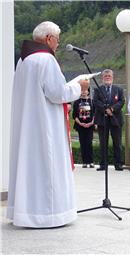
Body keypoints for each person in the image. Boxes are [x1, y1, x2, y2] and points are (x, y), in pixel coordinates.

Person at [7, 21, 89, 228]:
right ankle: (50, 215)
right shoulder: (46, 60)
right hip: (45, 127)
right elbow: (57, 93)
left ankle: (27, 212)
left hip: (29, 125)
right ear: (48, 39)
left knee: (31, 169)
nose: (58, 44)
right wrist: (79, 87)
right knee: (48, 168)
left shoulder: (23, 61)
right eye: (57, 40)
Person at [93, 69, 124, 171]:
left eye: (109, 76)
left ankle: (118, 164)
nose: (107, 78)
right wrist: (106, 110)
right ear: (102, 78)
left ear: (112, 77)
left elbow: (121, 101)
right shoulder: (98, 89)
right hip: (102, 119)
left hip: (115, 119)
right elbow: (96, 102)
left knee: (117, 143)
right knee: (103, 143)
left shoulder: (118, 90)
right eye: (105, 76)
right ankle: (103, 165)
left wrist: (112, 109)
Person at [73, 89, 95, 168]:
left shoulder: (92, 102)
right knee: (83, 143)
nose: (83, 92)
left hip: (90, 126)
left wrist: (91, 123)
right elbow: (74, 115)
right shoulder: (76, 102)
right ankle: (85, 162)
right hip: (80, 126)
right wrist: (80, 123)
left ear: (88, 91)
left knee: (89, 143)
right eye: (82, 90)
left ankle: (91, 161)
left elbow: (95, 114)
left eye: (85, 90)